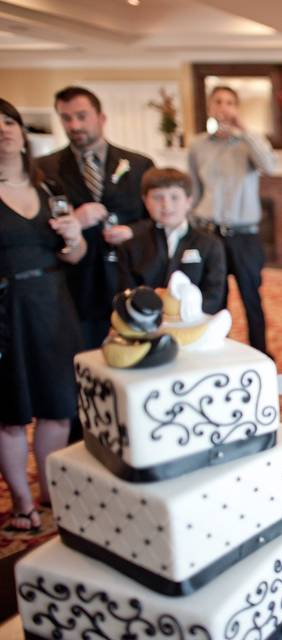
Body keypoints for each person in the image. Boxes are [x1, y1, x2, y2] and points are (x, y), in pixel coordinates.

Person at [0, 98, 86, 532]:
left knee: (57, 407)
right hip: (4, 308)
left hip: (52, 303)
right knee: (12, 412)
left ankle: (50, 493)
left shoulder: (48, 187)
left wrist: (74, 238)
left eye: (9, 121)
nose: (3, 129)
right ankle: (21, 503)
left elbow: (75, 255)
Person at [37, 86, 154, 350]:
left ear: (101, 118)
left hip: (130, 277)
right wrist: (75, 220)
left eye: (82, 116)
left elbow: (156, 221)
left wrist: (132, 232)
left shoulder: (139, 165)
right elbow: (37, 228)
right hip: (76, 283)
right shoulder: (44, 169)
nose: (74, 125)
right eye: (66, 118)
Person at [188, 85, 276, 355]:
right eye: (218, 101)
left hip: (244, 235)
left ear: (236, 108)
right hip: (209, 233)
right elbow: (193, 190)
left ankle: (261, 353)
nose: (224, 107)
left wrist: (245, 130)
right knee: (215, 298)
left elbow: (269, 166)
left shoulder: (248, 143)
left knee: (251, 298)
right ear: (211, 107)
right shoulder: (198, 146)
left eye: (229, 102)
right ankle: (216, 352)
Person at [117, 167, 226, 313]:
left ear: (189, 201)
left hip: (196, 321)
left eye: (174, 197)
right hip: (147, 322)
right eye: (157, 197)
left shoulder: (209, 244)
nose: (166, 205)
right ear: (145, 201)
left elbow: (214, 294)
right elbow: (127, 291)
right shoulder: (131, 245)